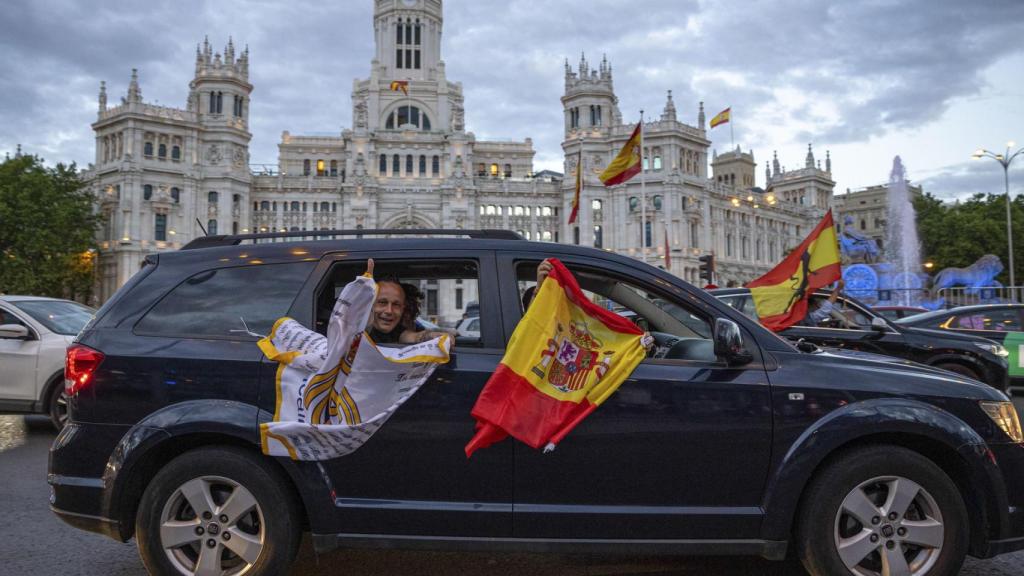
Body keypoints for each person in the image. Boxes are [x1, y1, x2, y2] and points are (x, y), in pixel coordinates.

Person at [364, 259, 450, 345]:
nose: (389, 311)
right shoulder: (355, 328)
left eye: (396, 304)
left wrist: (435, 337)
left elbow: (414, 337)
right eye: (382, 302)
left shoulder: (397, 331)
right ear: (369, 304)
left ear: (402, 308)